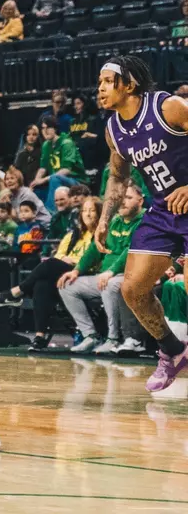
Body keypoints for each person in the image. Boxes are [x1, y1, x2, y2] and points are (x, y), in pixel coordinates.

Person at [95, 56, 188, 389]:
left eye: (108, 82)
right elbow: (119, 176)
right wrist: (104, 219)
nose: (100, 89)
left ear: (129, 84)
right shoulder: (113, 130)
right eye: (99, 83)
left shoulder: (169, 107)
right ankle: (173, 351)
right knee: (132, 290)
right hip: (163, 211)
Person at [0, 196, 102, 351]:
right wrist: (65, 259)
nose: (88, 214)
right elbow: (60, 254)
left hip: (86, 273)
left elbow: (96, 259)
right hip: (64, 271)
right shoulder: (73, 235)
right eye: (85, 211)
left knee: (49, 264)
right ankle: (40, 337)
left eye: (92, 211)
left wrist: (74, 262)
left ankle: (17, 292)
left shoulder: (101, 235)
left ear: (99, 213)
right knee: (42, 284)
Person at [59, 185, 143, 354]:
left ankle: (113, 338)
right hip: (106, 276)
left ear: (140, 201)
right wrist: (77, 270)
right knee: (67, 286)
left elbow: (131, 251)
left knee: (109, 285)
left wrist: (111, 272)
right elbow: (94, 248)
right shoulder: (114, 221)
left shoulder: (145, 222)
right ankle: (91, 336)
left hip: (128, 276)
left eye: (128, 198)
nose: (123, 202)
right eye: (120, 198)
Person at [30, 116, 85, 211]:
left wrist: (43, 180)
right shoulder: (46, 145)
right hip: (55, 180)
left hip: (76, 180)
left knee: (54, 178)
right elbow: (43, 168)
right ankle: (39, 215)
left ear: (55, 128)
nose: (45, 131)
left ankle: (51, 213)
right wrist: (36, 180)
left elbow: (66, 170)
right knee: (37, 189)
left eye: (48, 127)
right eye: (43, 128)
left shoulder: (66, 143)